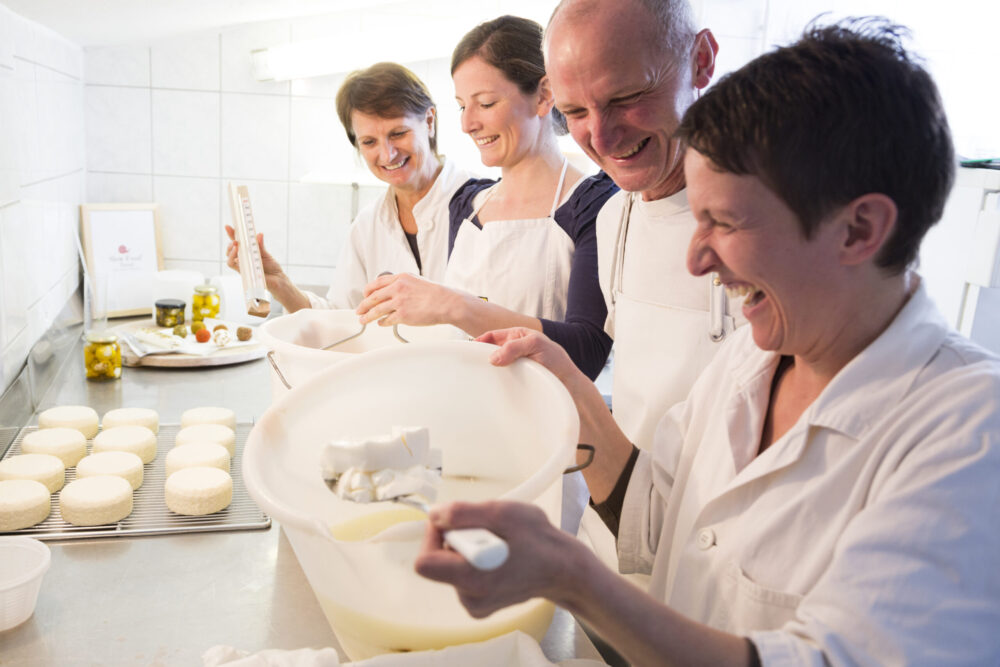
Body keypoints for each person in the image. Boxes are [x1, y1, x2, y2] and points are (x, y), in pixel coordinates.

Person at [415, 19, 1000, 665]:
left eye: (722, 222)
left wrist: (573, 578)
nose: (696, 260)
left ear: (859, 228)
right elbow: (657, 516)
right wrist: (562, 379)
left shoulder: (969, 429)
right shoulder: (753, 358)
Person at [355, 15, 618, 381]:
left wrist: (452, 304)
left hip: (546, 427)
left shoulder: (593, 204)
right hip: (464, 413)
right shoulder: (466, 204)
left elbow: (586, 351)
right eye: (463, 105)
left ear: (544, 95)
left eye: (486, 103)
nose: (467, 123)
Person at [544, 0, 742, 450]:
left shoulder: (777, 226)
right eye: (574, 112)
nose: (600, 137)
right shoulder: (614, 217)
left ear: (702, 60)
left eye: (626, 97)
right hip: (635, 507)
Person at [225, 62, 472, 312]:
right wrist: (279, 283)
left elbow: (497, 308)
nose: (387, 155)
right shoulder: (368, 225)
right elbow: (341, 320)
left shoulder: (481, 204)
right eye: (369, 142)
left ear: (429, 121)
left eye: (398, 133)